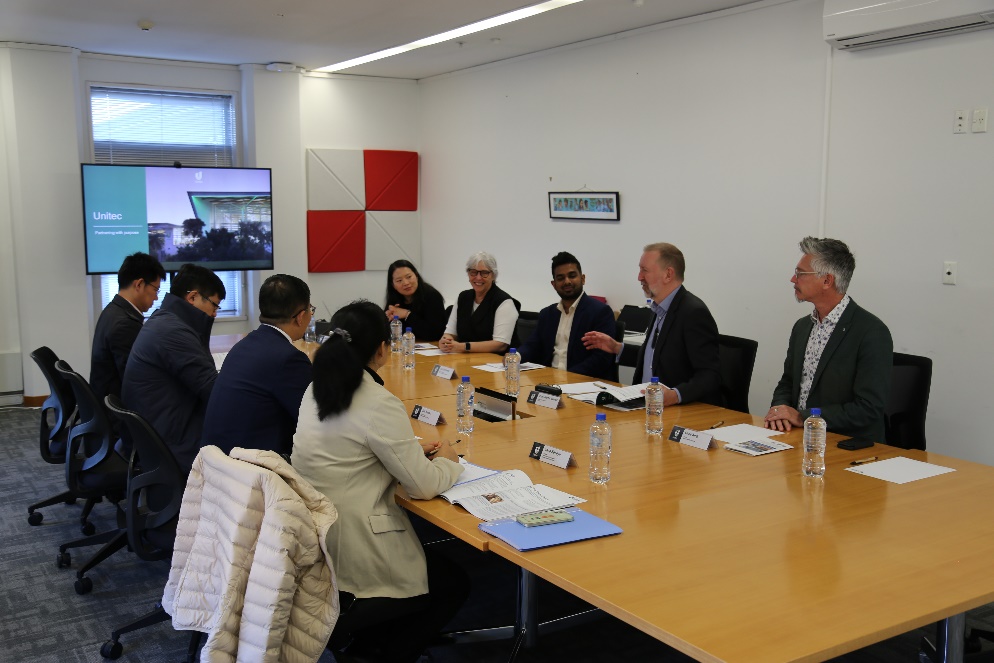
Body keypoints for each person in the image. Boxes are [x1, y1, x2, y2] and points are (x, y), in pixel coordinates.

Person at [292, 300, 468, 663]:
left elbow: (351, 449)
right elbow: (422, 487)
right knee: (452, 584)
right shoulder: (377, 401)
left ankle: (368, 643)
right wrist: (450, 462)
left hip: (316, 536)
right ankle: (380, 653)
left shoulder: (315, 389)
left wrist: (409, 454)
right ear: (382, 349)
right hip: (355, 544)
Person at [764, 237, 893, 441]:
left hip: (844, 443)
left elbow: (868, 408)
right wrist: (780, 409)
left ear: (827, 281)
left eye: (800, 273)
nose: (793, 279)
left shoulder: (871, 332)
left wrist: (803, 417)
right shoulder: (802, 327)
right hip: (798, 438)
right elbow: (787, 382)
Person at [582, 242, 721, 406]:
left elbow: (710, 375)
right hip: (646, 406)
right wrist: (617, 348)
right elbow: (656, 359)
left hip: (678, 410)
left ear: (668, 274)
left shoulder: (693, 313)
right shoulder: (659, 308)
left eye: (644, 270)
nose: (639, 277)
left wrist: (674, 395)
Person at [122, 263, 224, 474]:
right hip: (172, 445)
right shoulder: (173, 332)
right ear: (193, 297)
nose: (214, 314)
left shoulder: (165, 320)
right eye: (214, 306)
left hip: (159, 432)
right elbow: (213, 389)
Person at [202, 274, 314, 457]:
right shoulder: (288, 359)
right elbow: (315, 420)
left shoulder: (243, 345)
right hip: (252, 467)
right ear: (301, 317)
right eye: (310, 310)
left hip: (217, 461)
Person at [518, 251, 616, 379]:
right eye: (560, 278)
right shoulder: (547, 314)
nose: (567, 281)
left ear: (583, 278)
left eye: (572, 276)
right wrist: (516, 356)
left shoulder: (600, 312)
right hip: (549, 381)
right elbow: (533, 345)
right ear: (554, 284)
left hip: (582, 382)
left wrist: (566, 377)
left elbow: (601, 359)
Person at [90, 252, 166, 410]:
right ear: (139, 285)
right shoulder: (125, 324)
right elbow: (138, 381)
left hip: (106, 403)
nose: (156, 298)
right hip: (117, 412)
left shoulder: (112, 310)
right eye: (156, 290)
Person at [438, 251, 519, 354]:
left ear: (493, 275)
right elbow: (450, 333)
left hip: (495, 360)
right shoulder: (463, 297)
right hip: (465, 358)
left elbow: (500, 344)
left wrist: (463, 347)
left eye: (484, 273)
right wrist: (445, 341)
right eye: (473, 272)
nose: (478, 277)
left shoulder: (504, 302)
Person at [383, 259, 447, 341]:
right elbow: (385, 335)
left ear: (416, 276)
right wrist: (386, 320)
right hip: (404, 346)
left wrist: (407, 315)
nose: (406, 283)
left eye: (409, 277)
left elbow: (435, 334)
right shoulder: (394, 300)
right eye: (399, 280)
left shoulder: (432, 296)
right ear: (393, 285)